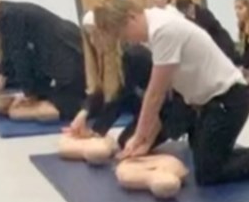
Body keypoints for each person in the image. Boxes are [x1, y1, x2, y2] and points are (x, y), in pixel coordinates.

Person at [92, 0, 249, 185]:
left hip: (229, 101)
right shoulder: (155, 23)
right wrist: (145, 138)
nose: (127, 40)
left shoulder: (163, 30)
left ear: (131, 17)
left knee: (208, 174)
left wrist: (139, 137)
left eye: (123, 34)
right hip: (206, 104)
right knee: (208, 157)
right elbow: (165, 92)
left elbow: (155, 94)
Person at [64, 11, 187, 150]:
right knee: (125, 142)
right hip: (146, 108)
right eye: (89, 36)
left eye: (96, 34)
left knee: (128, 144)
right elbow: (107, 94)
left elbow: (150, 98)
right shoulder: (107, 62)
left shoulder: (134, 56)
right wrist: (84, 114)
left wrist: (97, 132)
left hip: (168, 110)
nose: (93, 41)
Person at [0, 0, 85, 121]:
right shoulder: (6, 13)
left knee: (18, 113)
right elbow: (13, 56)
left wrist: (29, 94)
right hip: (63, 56)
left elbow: (20, 57)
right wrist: (30, 92)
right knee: (4, 106)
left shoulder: (7, 16)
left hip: (69, 60)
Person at [174, 0, 240, 66]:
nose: (186, 13)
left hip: (221, 43)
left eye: (187, 10)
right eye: (183, 12)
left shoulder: (203, 12)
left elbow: (212, 27)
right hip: (209, 48)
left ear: (191, 5)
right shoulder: (187, 19)